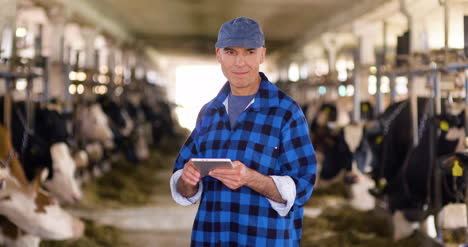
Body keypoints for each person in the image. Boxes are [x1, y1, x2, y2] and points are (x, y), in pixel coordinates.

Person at [170, 16, 317, 246]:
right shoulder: (208, 113)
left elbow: (303, 186)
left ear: (262, 55)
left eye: (249, 52)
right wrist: (188, 180)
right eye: (231, 52)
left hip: (265, 239)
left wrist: (251, 178)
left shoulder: (285, 112)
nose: (240, 63)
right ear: (218, 54)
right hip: (211, 237)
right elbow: (183, 184)